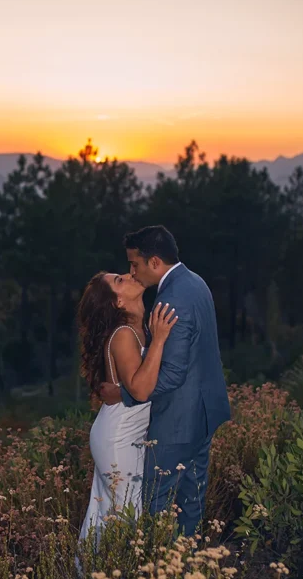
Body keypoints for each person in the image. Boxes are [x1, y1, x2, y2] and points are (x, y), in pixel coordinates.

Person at [98, 225, 231, 537]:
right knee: (191, 498)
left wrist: (124, 394)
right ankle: (187, 566)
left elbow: (172, 374)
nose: (132, 272)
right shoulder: (195, 283)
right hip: (203, 414)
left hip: (177, 420)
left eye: (135, 264)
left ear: (154, 262)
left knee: (157, 502)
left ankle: (162, 574)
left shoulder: (170, 301)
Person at [75, 270, 179, 543]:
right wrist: (159, 340)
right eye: (119, 280)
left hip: (124, 433)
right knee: (125, 513)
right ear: (117, 302)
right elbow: (142, 389)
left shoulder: (139, 330)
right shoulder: (123, 334)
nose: (128, 274)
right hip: (118, 437)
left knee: (107, 512)